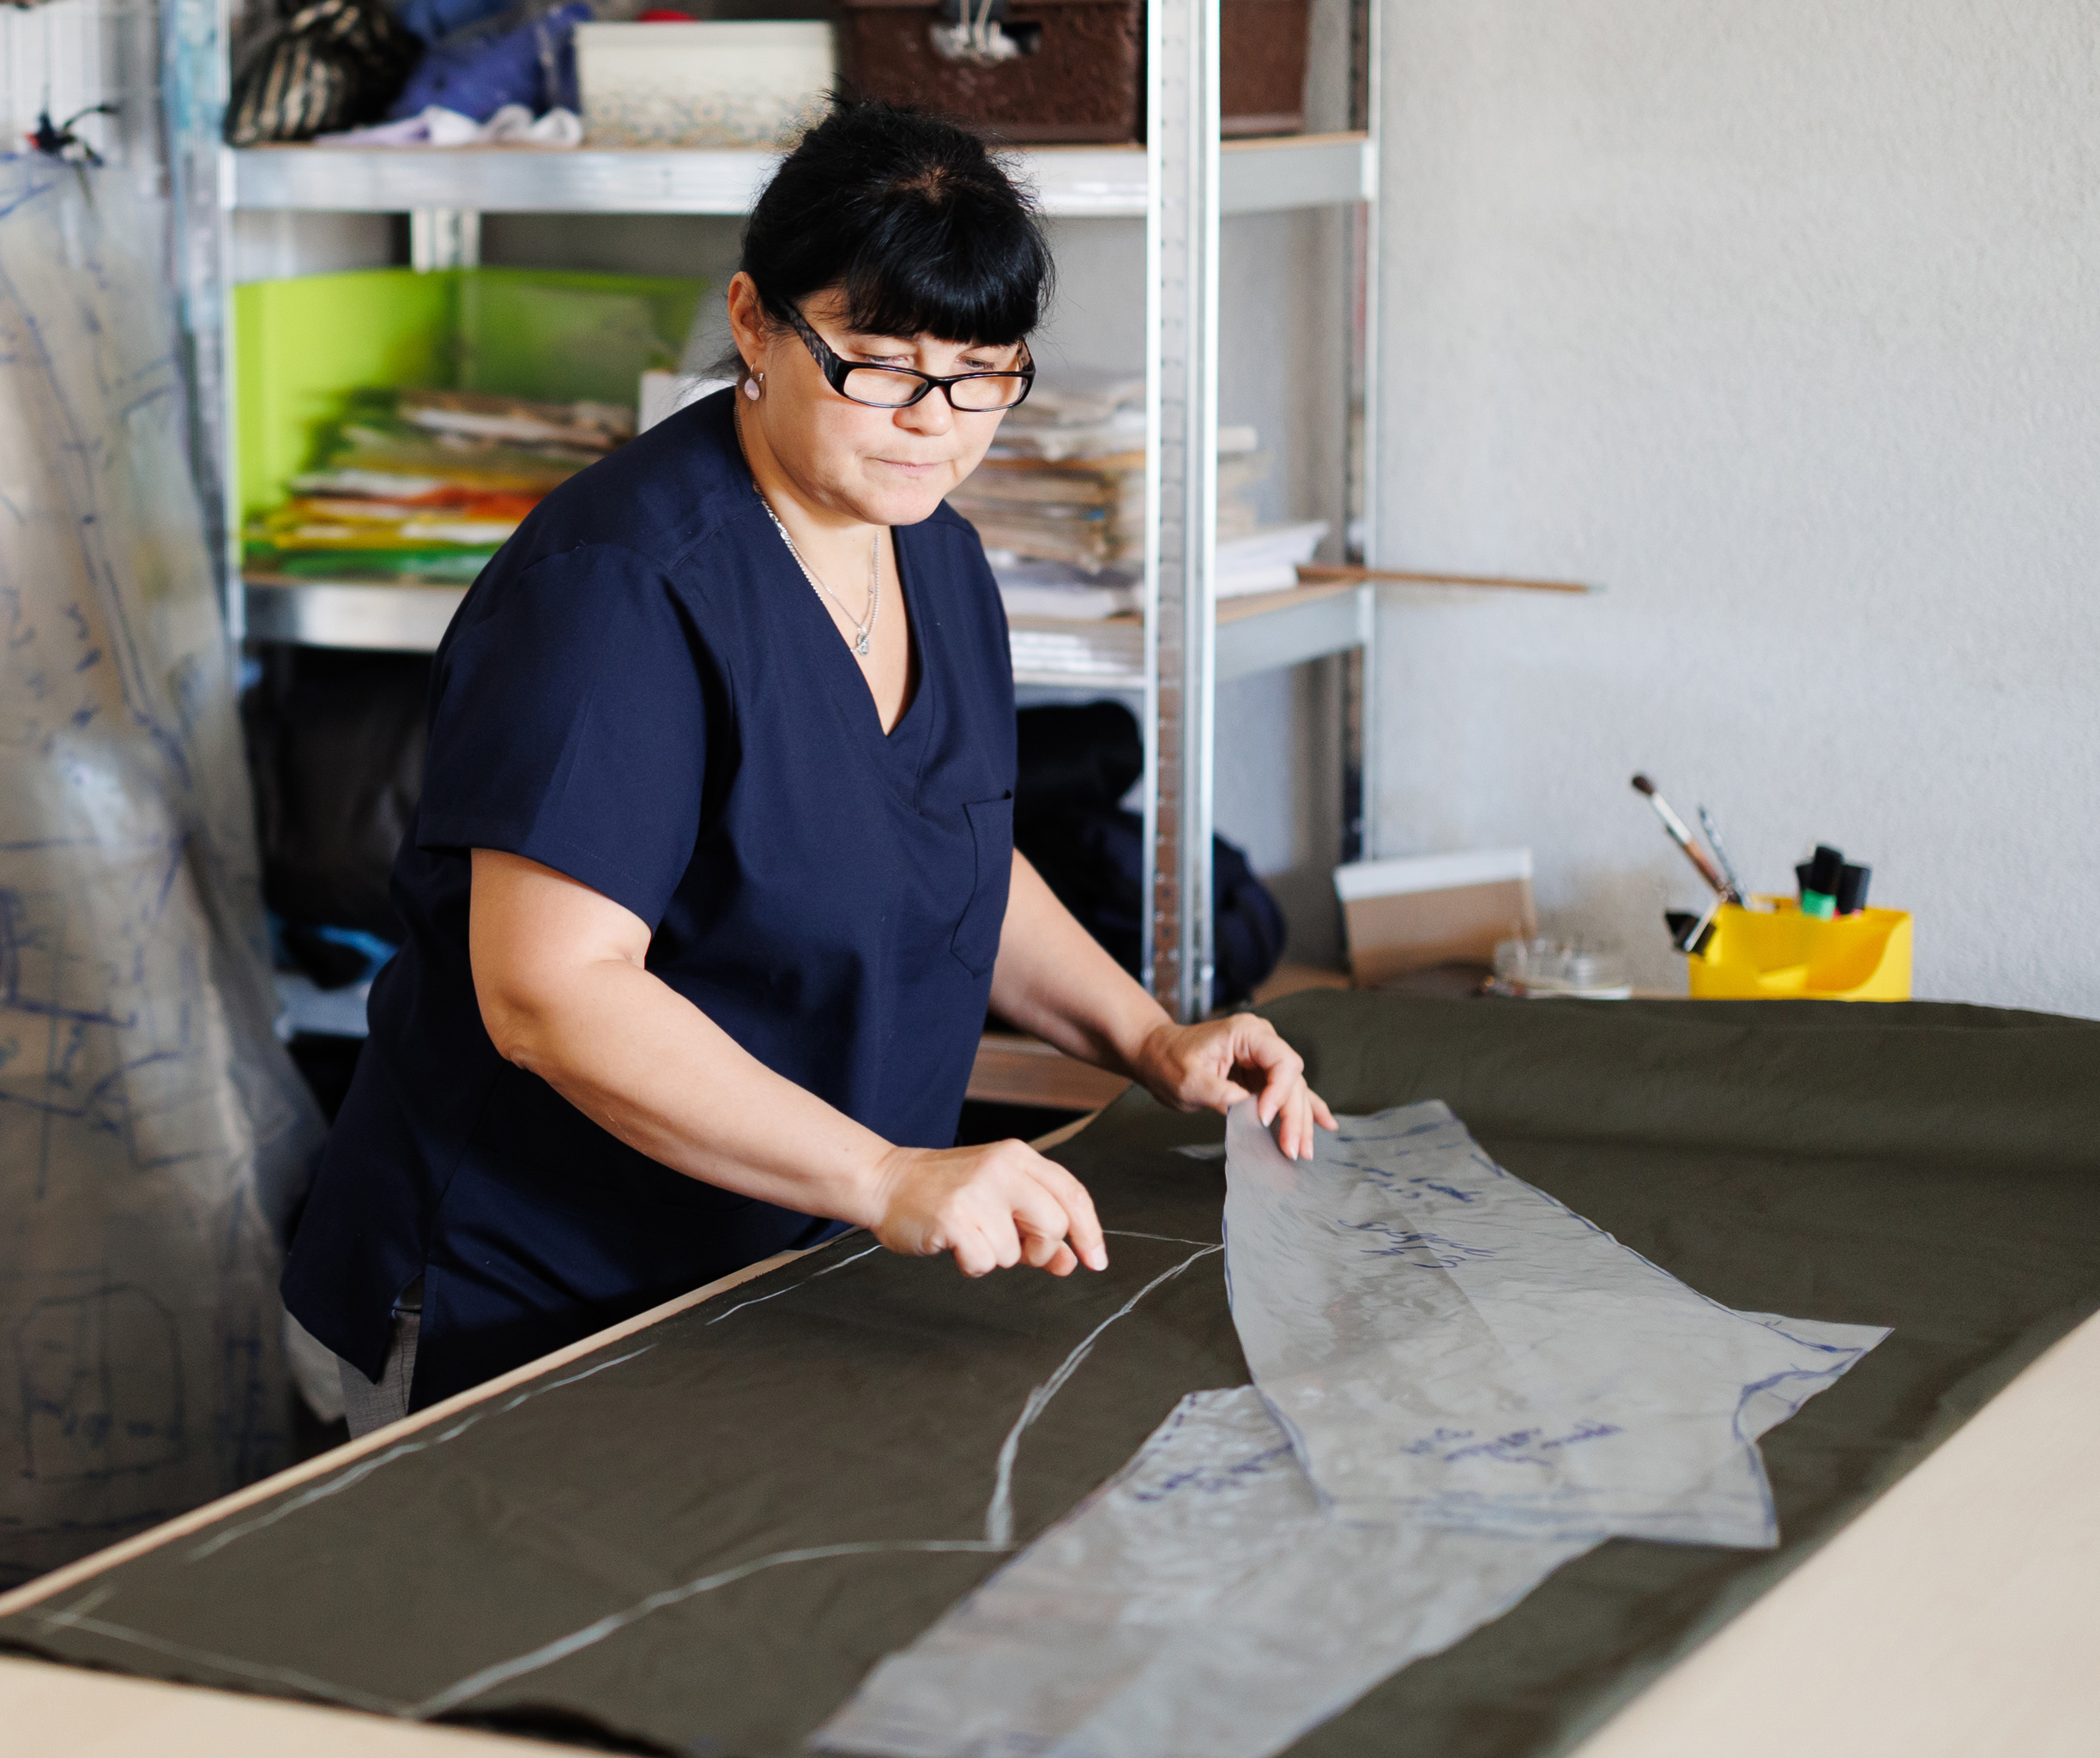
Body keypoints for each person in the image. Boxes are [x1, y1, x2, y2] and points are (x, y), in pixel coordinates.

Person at [281, 99, 1332, 1433]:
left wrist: (1150, 1038)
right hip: (534, 1297)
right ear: (753, 323)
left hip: (772, 1273)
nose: (933, 423)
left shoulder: (933, 548)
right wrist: (890, 1177)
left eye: (981, 374)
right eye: (880, 366)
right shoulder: (621, 591)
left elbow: (950, 848)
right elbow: (551, 994)